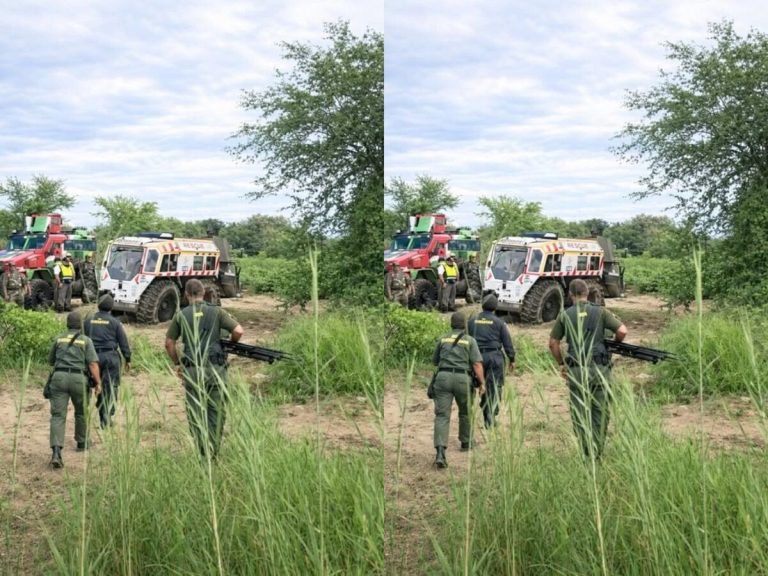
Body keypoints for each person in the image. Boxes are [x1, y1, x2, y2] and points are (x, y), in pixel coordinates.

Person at [548, 279, 627, 461]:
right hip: (599, 370)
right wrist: (614, 344)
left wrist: (562, 364)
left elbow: (553, 343)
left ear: (570, 294)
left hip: (576, 370)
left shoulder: (565, 315)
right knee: (600, 412)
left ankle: (585, 452)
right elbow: (623, 331)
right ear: (587, 293)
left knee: (579, 412)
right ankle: (596, 453)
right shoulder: (600, 312)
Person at [165, 279, 243, 459]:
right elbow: (238, 331)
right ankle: (212, 453)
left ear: (186, 294)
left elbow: (169, 344)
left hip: (192, 371)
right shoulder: (217, 312)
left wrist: (178, 364)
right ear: (204, 293)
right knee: (216, 412)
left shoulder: (181, 315)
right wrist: (230, 344)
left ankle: (201, 452)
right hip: (215, 371)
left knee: (195, 412)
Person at [431, 311, 486, 469]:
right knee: (465, 412)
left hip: (443, 378)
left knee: (442, 415)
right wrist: (482, 383)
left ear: (451, 324)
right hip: (463, 379)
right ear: (465, 325)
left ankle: (440, 452)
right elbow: (476, 364)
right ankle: (466, 442)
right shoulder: (470, 341)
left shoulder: (442, 339)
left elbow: (435, 361)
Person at [48, 312, 102, 469]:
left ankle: (56, 452)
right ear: (81, 325)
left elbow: (51, 361)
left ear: (67, 323)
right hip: (79, 379)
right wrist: (98, 383)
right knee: (81, 412)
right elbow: (93, 364)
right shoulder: (86, 341)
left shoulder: (58, 338)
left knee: (58, 416)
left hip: (59, 378)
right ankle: (82, 442)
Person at [468, 293, 516, 428]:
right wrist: (512, 359)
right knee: (494, 388)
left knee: (477, 385)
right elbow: (507, 343)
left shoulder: (471, 321)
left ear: (482, 305)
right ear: (495, 307)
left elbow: (466, 339)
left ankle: (478, 413)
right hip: (494, 358)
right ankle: (490, 415)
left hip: (476, 358)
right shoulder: (500, 323)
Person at [84, 293, 132, 428]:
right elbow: (123, 342)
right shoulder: (115, 322)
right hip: (110, 358)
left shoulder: (88, 320)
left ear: (98, 305)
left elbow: (81, 339)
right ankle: (106, 415)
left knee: (93, 385)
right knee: (110, 388)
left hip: (92, 358)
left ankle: (94, 413)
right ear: (111, 307)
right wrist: (127, 358)